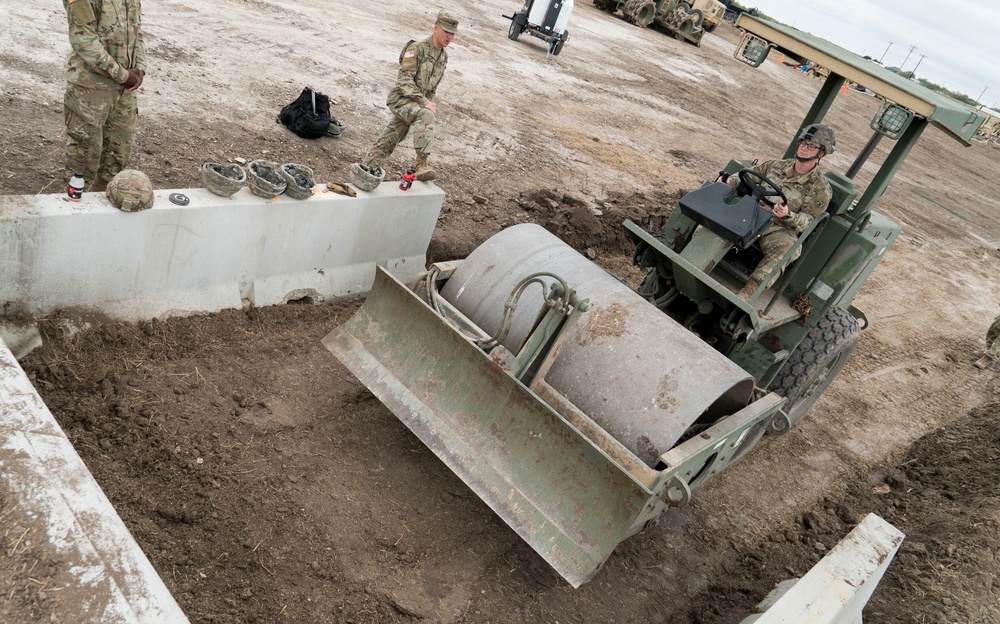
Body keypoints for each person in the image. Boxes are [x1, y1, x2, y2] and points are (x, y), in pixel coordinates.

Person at [725, 123, 835, 300]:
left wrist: (788, 215)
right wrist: (730, 181)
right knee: (716, 214)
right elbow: (747, 176)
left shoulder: (820, 188)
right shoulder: (776, 165)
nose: (805, 148)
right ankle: (693, 258)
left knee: (788, 249)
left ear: (821, 153)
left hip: (779, 227)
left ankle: (747, 294)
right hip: (752, 213)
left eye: (812, 146)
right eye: (803, 143)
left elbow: (809, 220)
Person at [352, 11, 458, 187]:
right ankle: (421, 164)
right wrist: (425, 104)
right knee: (426, 115)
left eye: (452, 33)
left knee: (392, 136)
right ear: (436, 28)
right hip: (400, 99)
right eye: (446, 31)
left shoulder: (443, 56)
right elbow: (404, 81)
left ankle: (366, 168)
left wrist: (427, 101)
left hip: (415, 103)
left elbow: (432, 87)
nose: (449, 36)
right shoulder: (416, 48)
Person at [62, 0, 147, 192]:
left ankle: (100, 204)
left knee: (116, 154)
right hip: (91, 88)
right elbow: (83, 40)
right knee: (84, 155)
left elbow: (137, 31)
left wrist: (141, 67)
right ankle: (75, 209)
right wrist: (123, 75)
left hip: (125, 89)